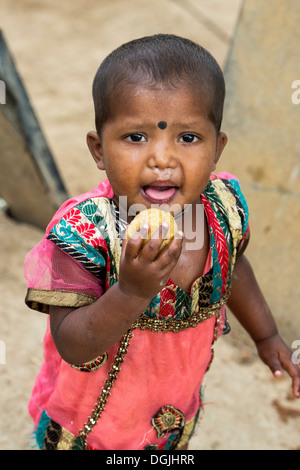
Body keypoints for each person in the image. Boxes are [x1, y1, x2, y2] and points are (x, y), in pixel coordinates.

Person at [24, 34, 300, 451]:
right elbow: (73, 345)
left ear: (216, 149)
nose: (162, 160)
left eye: (187, 138)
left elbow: (235, 269)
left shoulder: (221, 212)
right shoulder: (85, 233)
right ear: (99, 151)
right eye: (136, 137)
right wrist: (132, 290)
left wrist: (266, 336)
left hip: (169, 410)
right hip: (94, 422)